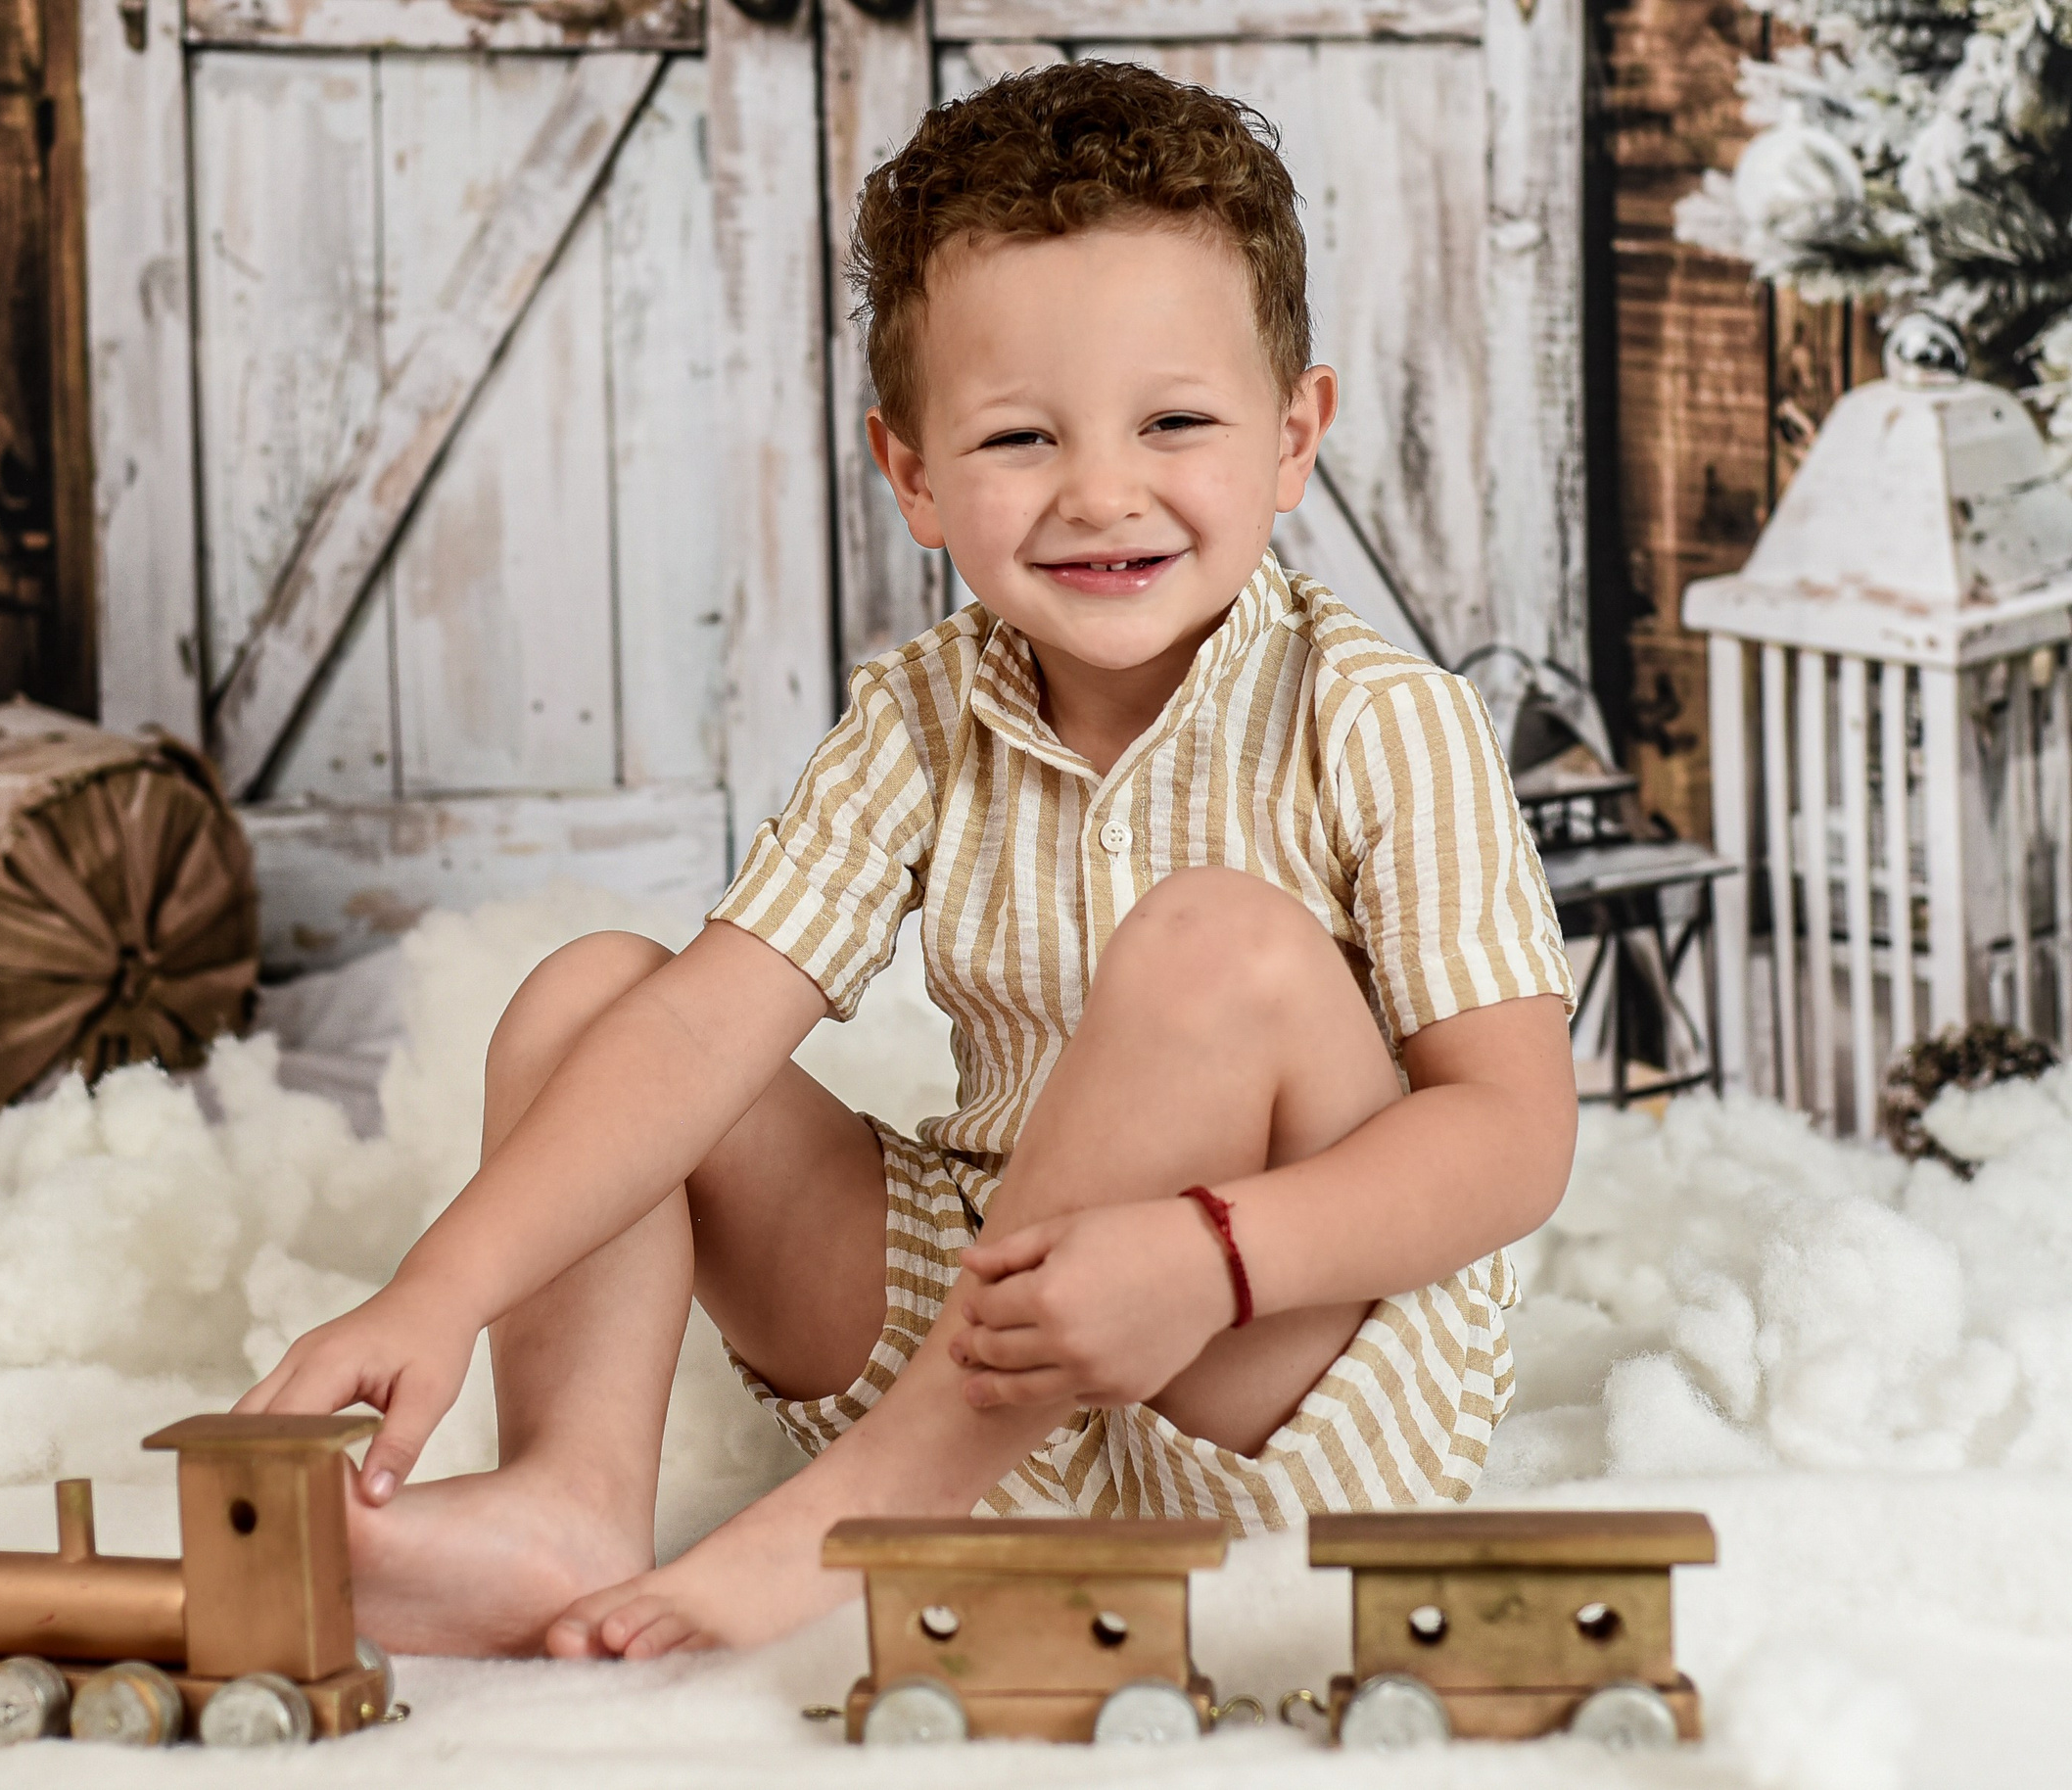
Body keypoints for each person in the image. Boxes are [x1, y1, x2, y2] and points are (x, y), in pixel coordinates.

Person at [237, 58, 1578, 1663]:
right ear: (915, 474)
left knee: (1221, 940)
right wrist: (433, 1291)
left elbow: (1511, 1140)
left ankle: (848, 1521)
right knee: (600, 998)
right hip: (1001, 1302)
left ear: (1297, 436)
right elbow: (703, 1031)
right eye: (1020, 437)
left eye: (1177, 422)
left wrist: (1211, 1256)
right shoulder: (923, 720)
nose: (1100, 492)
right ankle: (566, 1498)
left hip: (1261, 1362)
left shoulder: (1376, 717)